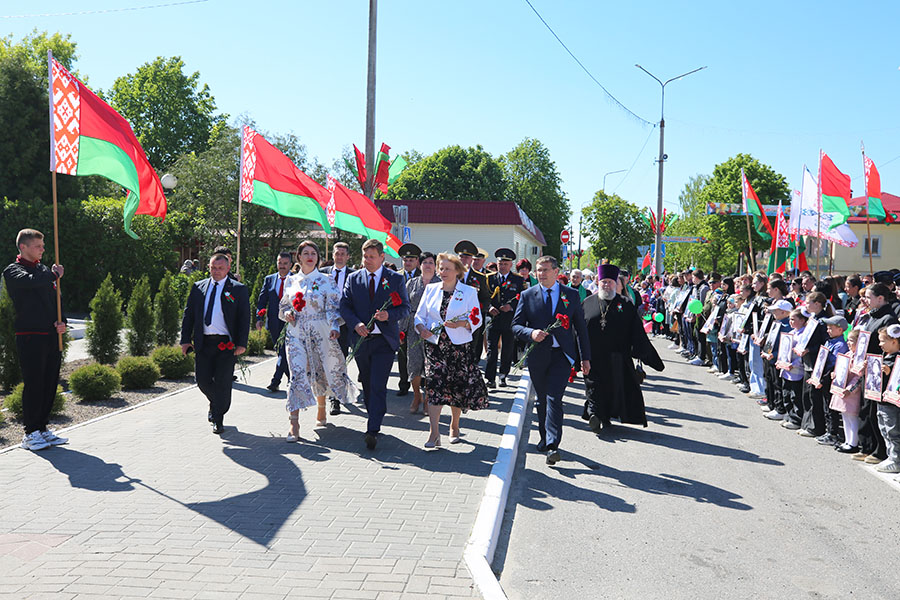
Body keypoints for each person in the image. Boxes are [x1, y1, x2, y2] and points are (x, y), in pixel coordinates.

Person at [512, 255, 591, 465]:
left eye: (545, 270)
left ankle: (552, 445)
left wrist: (585, 358)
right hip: (538, 355)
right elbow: (516, 325)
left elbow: (581, 330)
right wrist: (531, 333)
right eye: (539, 270)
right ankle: (545, 438)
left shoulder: (571, 295)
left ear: (556, 272)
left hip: (561, 356)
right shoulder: (527, 295)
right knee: (541, 399)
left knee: (554, 398)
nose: (541, 274)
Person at [279, 241, 357, 441]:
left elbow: (333, 307)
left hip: (320, 330)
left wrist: (333, 327)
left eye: (313, 253)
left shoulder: (326, 280)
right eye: (305, 253)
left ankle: (321, 408)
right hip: (296, 333)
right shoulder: (290, 280)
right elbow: (282, 308)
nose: (309, 256)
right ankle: (293, 423)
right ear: (299, 257)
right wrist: (287, 313)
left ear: (318, 257)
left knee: (321, 370)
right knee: (296, 373)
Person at [340, 238, 410, 450]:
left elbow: (405, 308)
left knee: (379, 384)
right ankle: (375, 414)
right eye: (365, 256)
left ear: (382, 257)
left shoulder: (395, 279)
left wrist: (389, 314)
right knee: (368, 385)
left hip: (384, 341)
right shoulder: (353, 279)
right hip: (362, 340)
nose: (367, 260)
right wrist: (356, 324)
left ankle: (372, 429)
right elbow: (345, 306)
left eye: (372, 257)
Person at [2, 229, 68, 451]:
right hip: (30, 336)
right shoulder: (13, 271)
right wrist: (53, 275)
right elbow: (31, 282)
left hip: (51, 335)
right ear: (23, 247)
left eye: (43, 245)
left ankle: (42, 428)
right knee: (35, 384)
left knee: (50, 383)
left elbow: (55, 299)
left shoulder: (43, 270)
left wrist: (62, 322)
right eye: (38, 246)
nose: (43, 249)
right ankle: (30, 434)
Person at [415, 253, 489, 448]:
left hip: (458, 347)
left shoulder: (469, 291)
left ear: (458, 271)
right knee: (434, 386)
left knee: (456, 387)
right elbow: (419, 315)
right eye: (441, 268)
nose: (443, 272)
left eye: (447, 268)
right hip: (434, 346)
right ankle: (434, 433)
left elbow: (477, 319)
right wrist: (421, 329)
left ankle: (454, 426)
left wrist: (464, 323)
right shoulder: (431, 289)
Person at [582, 264, 663, 432]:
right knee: (593, 386)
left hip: (617, 356)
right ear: (598, 282)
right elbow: (578, 331)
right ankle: (594, 415)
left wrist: (648, 356)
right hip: (593, 356)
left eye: (610, 282)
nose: (606, 285)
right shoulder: (587, 303)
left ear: (617, 284)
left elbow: (637, 333)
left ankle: (604, 416)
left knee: (612, 388)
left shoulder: (625, 304)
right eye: (603, 282)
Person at [180, 253, 250, 434]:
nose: (216, 271)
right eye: (213, 267)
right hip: (203, 343)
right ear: (208, 268)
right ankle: (217, 403)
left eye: (220, 268)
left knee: (222, 381)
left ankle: (218, 418)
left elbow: (244, 318)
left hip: (226, 345)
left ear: (228, 269)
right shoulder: (198, 287)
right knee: (202, 380)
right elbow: (189, 315)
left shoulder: (238, 289)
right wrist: (185, 340)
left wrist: (242, 343)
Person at [320, 241, 355, 414]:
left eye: (343, 253)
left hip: (345, 325)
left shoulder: (354, 275)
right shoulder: (322, 274)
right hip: (324, 324)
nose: (339, 256)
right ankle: (330, 395)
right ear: (332, 255)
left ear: (348, 256)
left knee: (339, 358)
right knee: (327, 358)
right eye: (336, 253)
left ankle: (337, 396)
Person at [403, 251, 440, 414]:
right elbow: (404, 307)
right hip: (413, 328)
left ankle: (427, 399)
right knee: (414, 363)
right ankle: (416, 395)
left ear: (436, 266)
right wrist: (400, 331)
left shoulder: (441, 283)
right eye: (425, 262)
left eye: (431, 263)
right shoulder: (412, 283)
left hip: (434, 330)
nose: (428, 266)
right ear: (420, 264)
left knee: (431, 366)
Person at [485, 248, 525, 388]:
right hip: (493, 320)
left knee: (507, 349)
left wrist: (511, 306)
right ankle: (490, 378)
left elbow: (522, 299)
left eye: (505, 264)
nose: (502, 266)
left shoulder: (518, 280)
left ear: (511, 265)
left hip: (509, 320)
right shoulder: (489, 278)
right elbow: (483, 297)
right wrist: (489, 307)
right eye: (500, 263)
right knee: (492, 349)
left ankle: (503, 375)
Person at [256, 252, 293, 393]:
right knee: (280, 351)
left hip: (290, 322)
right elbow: (262, 300)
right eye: (280, 263)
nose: (282, 266)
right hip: (273, 322)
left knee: (284, 351)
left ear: (290, 264)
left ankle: (275, 380)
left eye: (285, 263)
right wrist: (259, 318)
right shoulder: (269, 279)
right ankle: (291, 378)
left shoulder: (296, 280)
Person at [454, 240, 491, 365]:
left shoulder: (480, 277)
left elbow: (486, 298)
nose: (464, 260)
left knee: (473, 349)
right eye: (461, 256)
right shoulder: (451, 275)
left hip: (471, 321)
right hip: (453, 319)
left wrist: (479, 309)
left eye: (467, 257)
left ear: (472, 259)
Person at [395, 243, 422, 397]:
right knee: (403, 353)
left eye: (411, 260)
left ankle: (421, 382)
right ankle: (403, 384)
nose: (408, 263)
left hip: (417, 320)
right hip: (401, 320)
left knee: (419, 352)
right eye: (405, 260)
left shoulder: (422, 276)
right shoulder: (396, 276)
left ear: (417, 261)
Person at [874, 325, 900, 473]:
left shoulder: (897, 359)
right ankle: (891, 456)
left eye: (883, 341)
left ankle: (896, 460)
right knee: (885, 430)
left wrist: (889, 372)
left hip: (892, 404)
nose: (880, 344)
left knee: (893, 432)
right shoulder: (885, 356)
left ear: (894, 341)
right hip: (881, 401)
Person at [832, 329, 862, 453]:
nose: (848, 343)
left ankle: (853, 443)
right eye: (848, 340)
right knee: (845, 416)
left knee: (852, 417)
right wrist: (835, 375)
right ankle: (847, 441)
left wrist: (850, 389)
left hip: (851, 393)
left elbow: (859, 377)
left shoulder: (860, 358)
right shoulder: (848, 354)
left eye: (851, 341)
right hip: (842, 390)